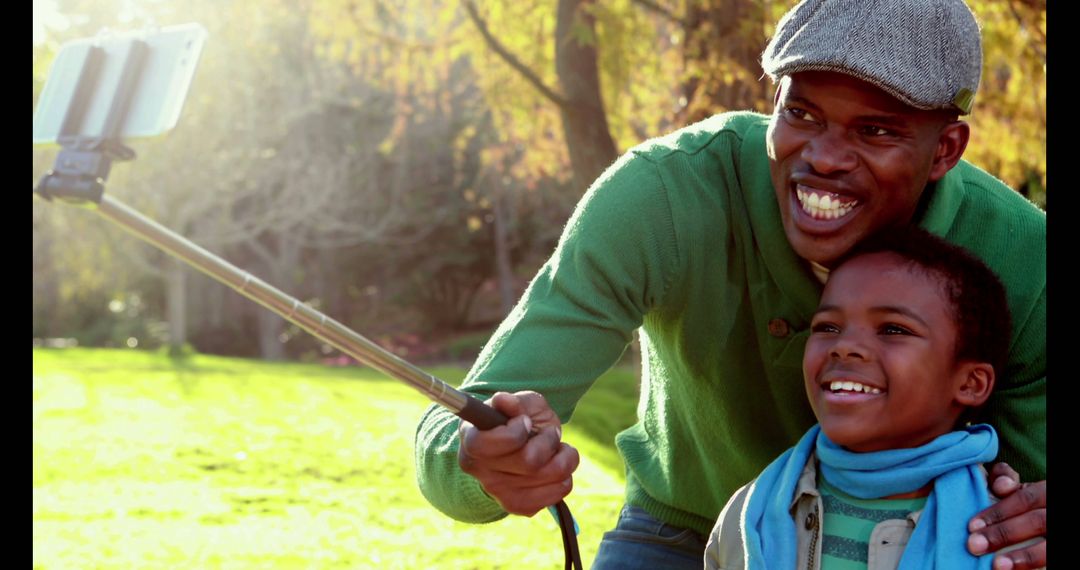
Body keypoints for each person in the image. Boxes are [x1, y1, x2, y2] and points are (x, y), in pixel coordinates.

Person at [413, 0, 1047, 568]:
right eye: (801, 112)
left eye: (875, 130)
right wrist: (479, 463)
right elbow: (458, 430)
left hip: (924, 538)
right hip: (682, 531)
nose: (823, 157)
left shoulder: (1026, 258)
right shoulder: (661, 196)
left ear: (946, 150)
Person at [704, 227, 1019, 569]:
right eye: (827, 327)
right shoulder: (751, 516)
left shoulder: (1007, 536)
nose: (844, 346)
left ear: (971, 384)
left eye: (893, 329)